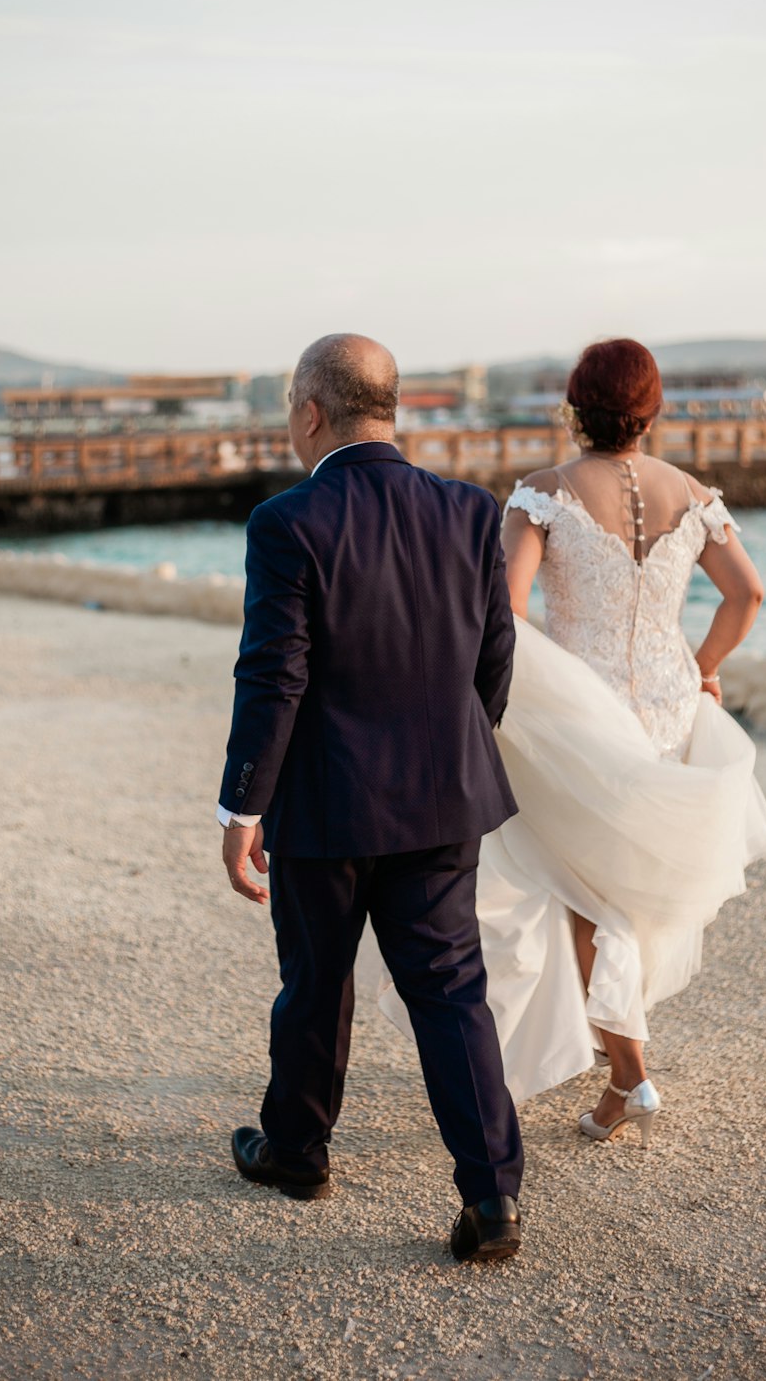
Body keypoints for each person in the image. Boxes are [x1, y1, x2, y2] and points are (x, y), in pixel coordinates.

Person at [380, 338, 766, 1145]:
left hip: (579, 714)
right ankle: (611, 1046)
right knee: (618, 883)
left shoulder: (543, 493)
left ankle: (628, 1078)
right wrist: (702, 670)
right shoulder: (694, 494)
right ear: (652, 409)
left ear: (573, 408)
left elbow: (508, 608)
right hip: (668, 712)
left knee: (582, 891)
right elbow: (748, 594)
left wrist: (530, 693)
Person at [217, 333, 525, 1261]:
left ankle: (298, 1152)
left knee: (316, 983)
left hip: (325, 806)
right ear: (390, 407)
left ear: (312, 412)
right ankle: (494, 1202)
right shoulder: (472, 510)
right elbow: (493, 660)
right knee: (451, 992)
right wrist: (451, 750)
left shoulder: (286, 522)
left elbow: (274, 675)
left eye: (288, 411)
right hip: (441, 800)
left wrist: (241, 809)